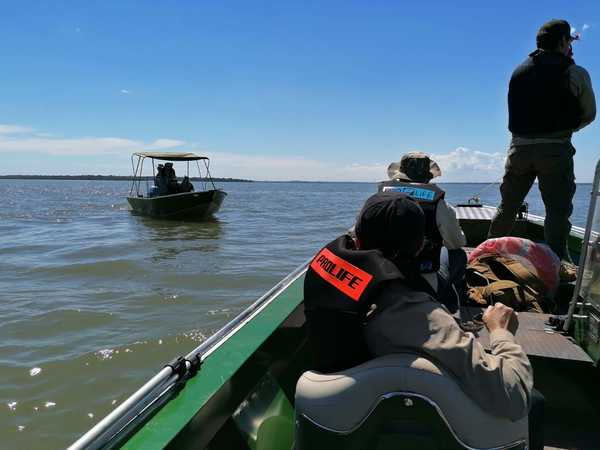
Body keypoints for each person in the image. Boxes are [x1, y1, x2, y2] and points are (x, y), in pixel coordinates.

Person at [304, 192, 540, 447]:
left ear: (357, 240)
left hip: (335, 412)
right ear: (420, 247)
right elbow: (513, 396)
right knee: (536, 402)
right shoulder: (420, 316)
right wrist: (501, 332)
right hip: (399, 411)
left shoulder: (325, 270)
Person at [488, 19, 596, 263]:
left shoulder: (518, 71)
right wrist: (563, 129)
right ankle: (557, 264)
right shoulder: (575, 72)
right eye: (569, 40)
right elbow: (588, 114)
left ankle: (487, 254)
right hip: (555, 150)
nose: (571, 46)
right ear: (561, 42)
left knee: (507, 207)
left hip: (518, 150)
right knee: (557, 213)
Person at [380, 152, 467, 312]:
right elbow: (456, 242)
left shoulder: (379, 199)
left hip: (381, 275)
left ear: (399, 175)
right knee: (458, 254)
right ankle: (453, 302)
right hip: (424, 279)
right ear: (428, 177)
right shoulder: (438, 203)